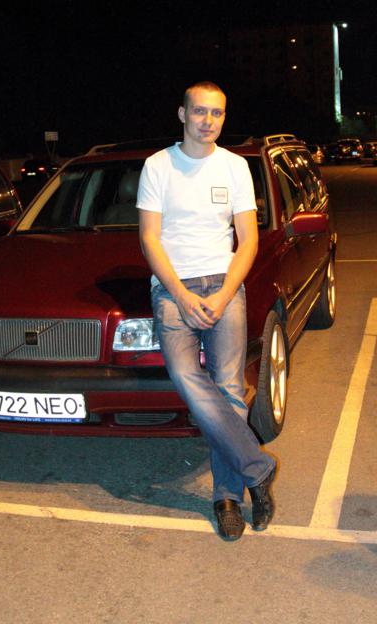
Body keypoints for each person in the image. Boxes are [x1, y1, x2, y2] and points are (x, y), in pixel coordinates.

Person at [136, 80, 277, 541]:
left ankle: (227, 497)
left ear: (224, 117)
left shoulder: (235, 167)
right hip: (173, 289)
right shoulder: (158, 166)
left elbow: (248, 240)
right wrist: (180, 294)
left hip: (223, 285)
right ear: (183, 114)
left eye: (216, 113)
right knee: (185, 376)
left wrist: (223, 295)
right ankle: (258, 467)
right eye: (200, 111)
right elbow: (149, 239)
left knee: (230, 389)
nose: (208, 121)